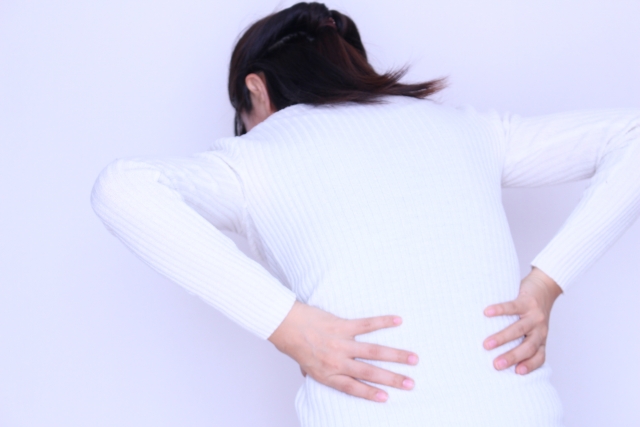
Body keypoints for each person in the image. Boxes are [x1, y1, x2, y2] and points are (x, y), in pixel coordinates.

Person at [90, 2, 640, 426]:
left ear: (255, 89)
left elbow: (121, 188)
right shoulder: (466, 127)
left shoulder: (254, 156)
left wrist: (289, 327)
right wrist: (546, 283)